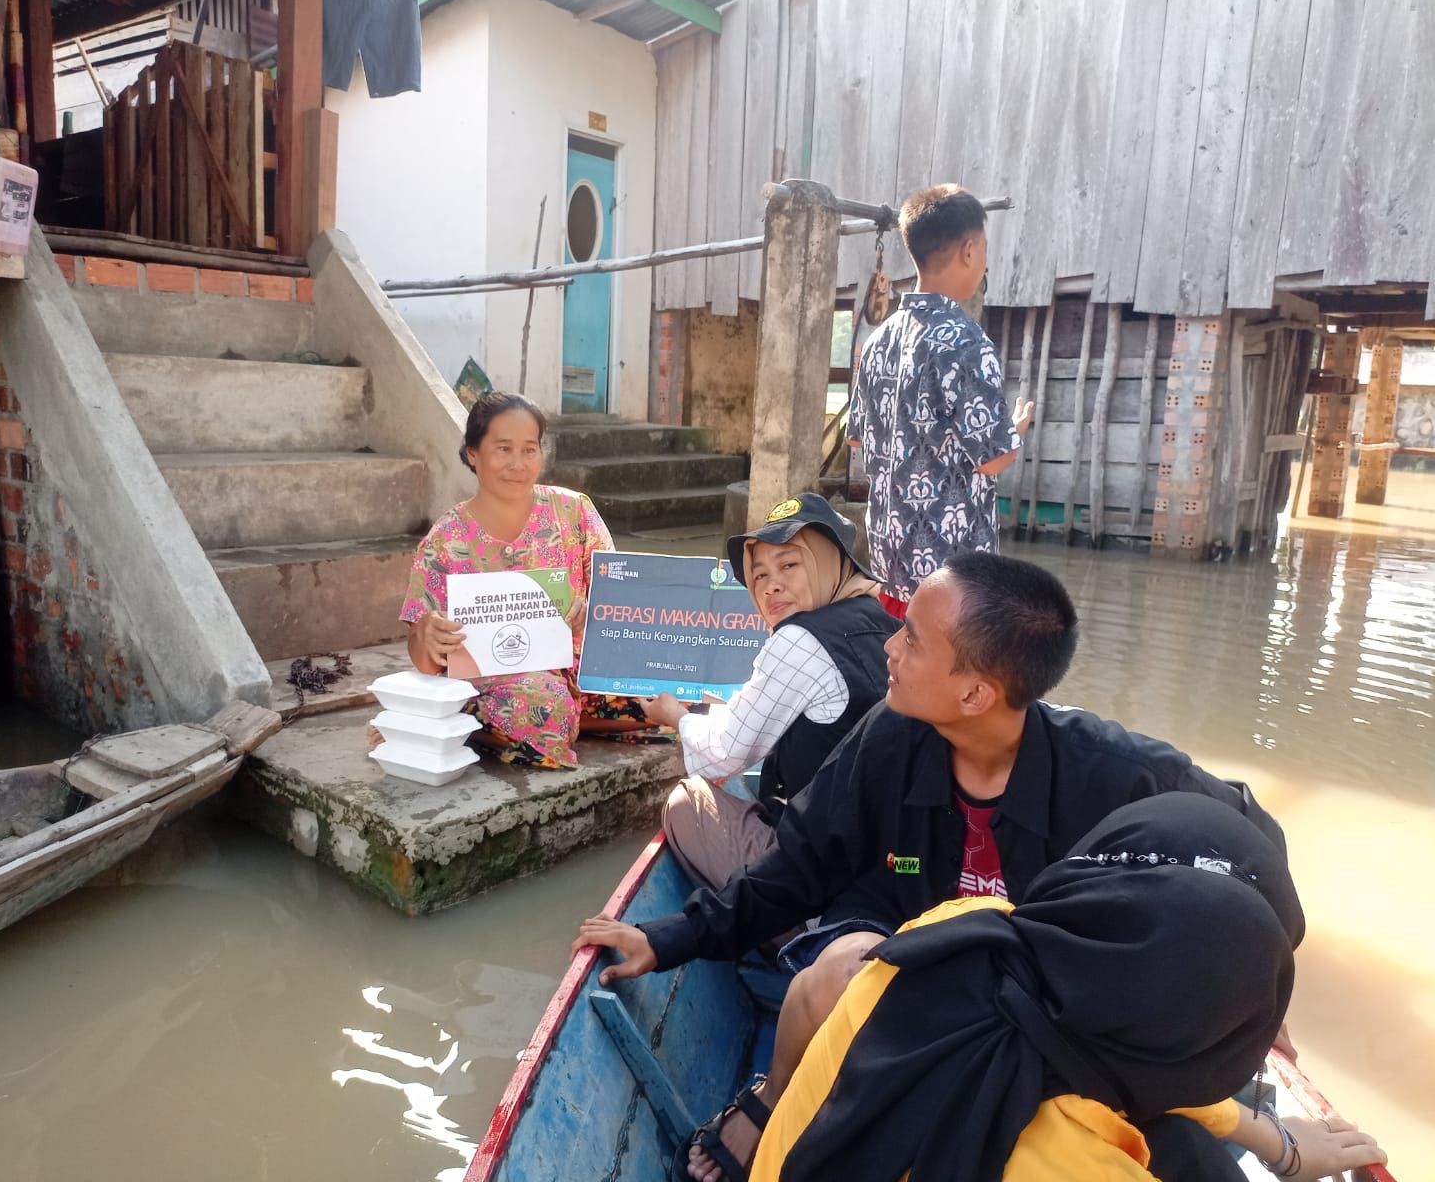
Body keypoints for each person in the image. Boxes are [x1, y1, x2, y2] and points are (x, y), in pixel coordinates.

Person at [572, 552, 1291, 1179]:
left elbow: (1248, 849)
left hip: (1036, 983)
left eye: (911, 640)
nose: (889, 647)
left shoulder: (1116, 771)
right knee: (843, 968)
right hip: (898, 936)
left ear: (975, 692)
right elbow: (796, 868)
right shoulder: (890, 736)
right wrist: (670, 938)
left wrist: (1263, 987)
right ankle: (775, 1095)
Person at [752, 792, 1385, 1182]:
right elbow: (1156, 1069)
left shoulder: (958, 931)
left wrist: (1273, 1141)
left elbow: (1119, 1049)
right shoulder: (1079, 1164)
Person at [636, 493, 900, 889]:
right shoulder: (885, 623)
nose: (771, 587)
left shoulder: (798, 639)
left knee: (688, 802)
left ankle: (777, 923)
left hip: (829, 869)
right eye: (759, 575)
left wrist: (676, 717)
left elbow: (723, 757)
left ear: (829, 562)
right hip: (885, 857)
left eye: (789, 565)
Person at [396, 392, 659, 769]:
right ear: (473, 452)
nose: (518, 464)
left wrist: (595, 615)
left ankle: (564, 720)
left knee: (675, 692)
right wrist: (426, 635)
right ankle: (515, 722)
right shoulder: (445, 542)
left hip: (579, 672)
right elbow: (425, 660)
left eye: (529, 450)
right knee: (541, 706)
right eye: (503, 449)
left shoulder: (574, 512)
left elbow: (621, 602)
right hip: (505, 684)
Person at [846, 184, 1034, 618]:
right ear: (969, 250)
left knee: (899, 668)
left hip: (889, 564)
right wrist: (1017, 428)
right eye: (984, 249)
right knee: (948, 679)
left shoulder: (880, 340)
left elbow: (857, 441)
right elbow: (993, 459)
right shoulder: (966, 343)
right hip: (953, 580)